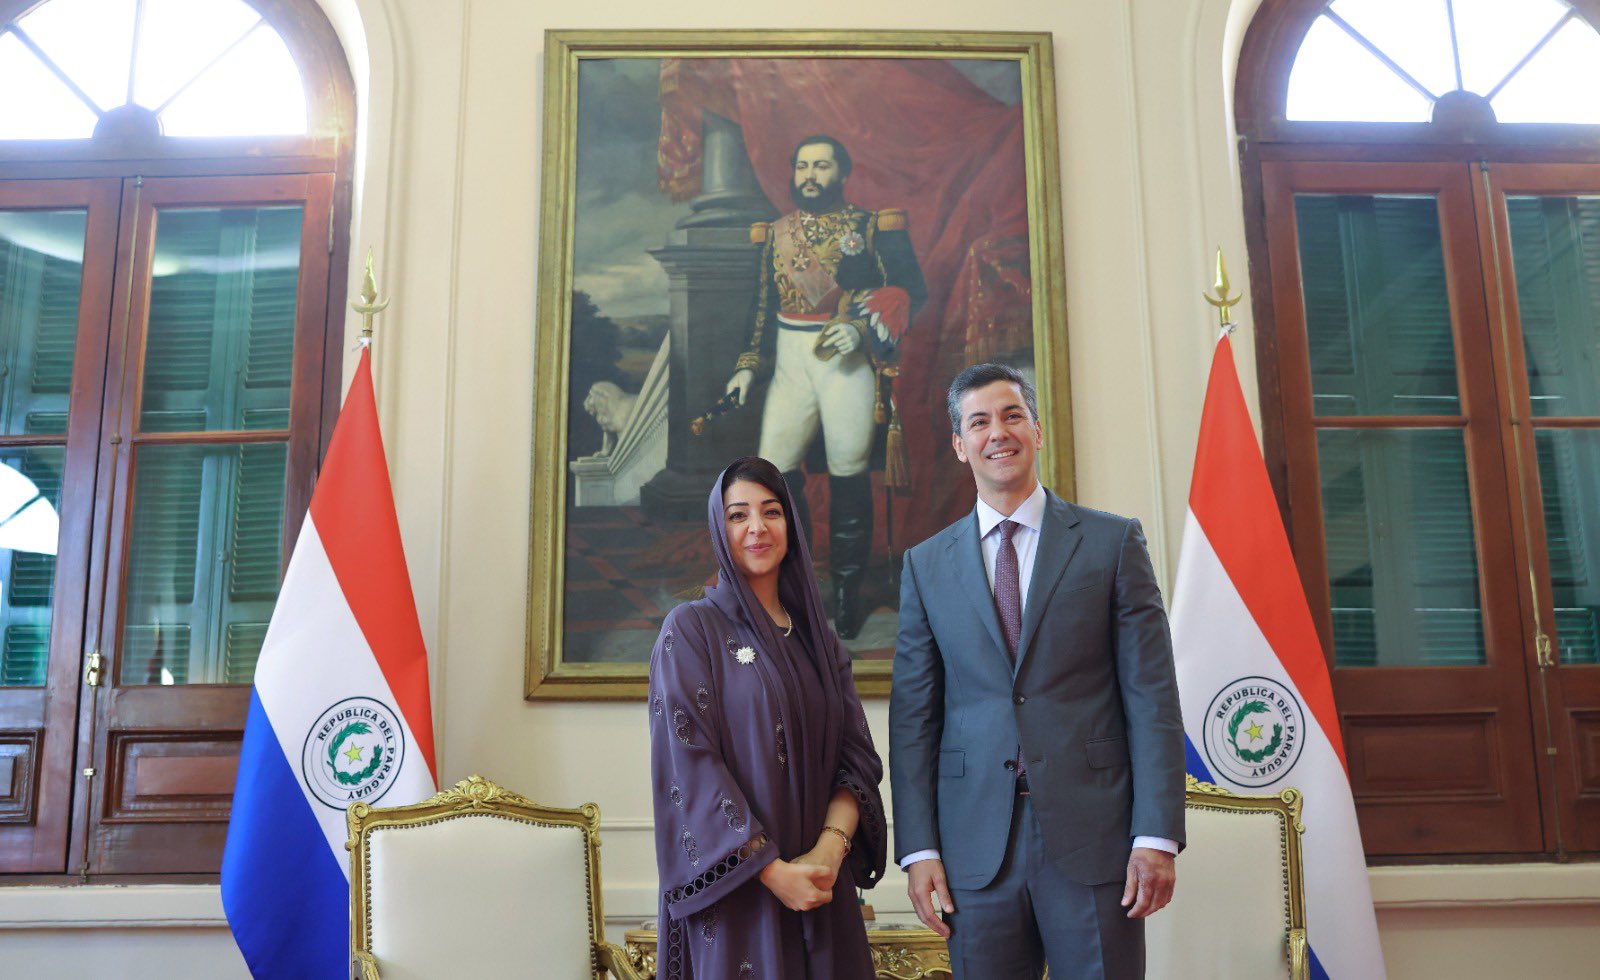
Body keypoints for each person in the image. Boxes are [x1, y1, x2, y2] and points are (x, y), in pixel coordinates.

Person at [888, 363, 1186, 978]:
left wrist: (1155, 835)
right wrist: (918, 848)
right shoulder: (925, 566)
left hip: (1096, 838)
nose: (997, 433)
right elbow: (915, 718)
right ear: (958, 444)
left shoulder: (1111, 542)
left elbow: (1152, 698)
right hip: (973, 847)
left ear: (1037, 430)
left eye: (1011, 415)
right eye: (979, 422)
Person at [648, 456, 888, 979]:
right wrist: (774, 873)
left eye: (771, 511)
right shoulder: (690, 630)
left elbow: (857, 759)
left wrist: (827, 853)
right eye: (738, 515)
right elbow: (688, 766)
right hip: (738, 895)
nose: (756, 528)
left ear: (792, 525)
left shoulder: (821, 643)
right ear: (719, 527)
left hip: (823, 890)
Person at [724, 134, 927, 640]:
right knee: (774, 475)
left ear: (841, 173)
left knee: (847, 471)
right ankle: (798, 588)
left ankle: (846, 593)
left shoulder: (871, 226)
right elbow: (759, 305)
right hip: (791, 364)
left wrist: (860, 328)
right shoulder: (775, 234)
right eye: (802, 166)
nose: (810, 175)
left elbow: (910, 291)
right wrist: (748, 365)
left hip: (846, 362)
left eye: (821, 166)